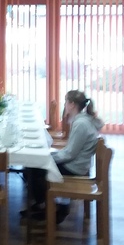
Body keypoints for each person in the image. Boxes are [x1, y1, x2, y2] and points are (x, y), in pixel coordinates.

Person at [24, 90, 104, 224]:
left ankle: (54, 208)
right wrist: (50, 156)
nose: (65, 105)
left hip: (75, 168)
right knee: (34, 166)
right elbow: (70, 151)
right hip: (78, 163)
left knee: (33, 169)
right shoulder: (83, 120)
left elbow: (70, 154)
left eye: (66, 102)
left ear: (72, 104)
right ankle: (44, 204)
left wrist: (48, 158)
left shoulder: (81, 124)